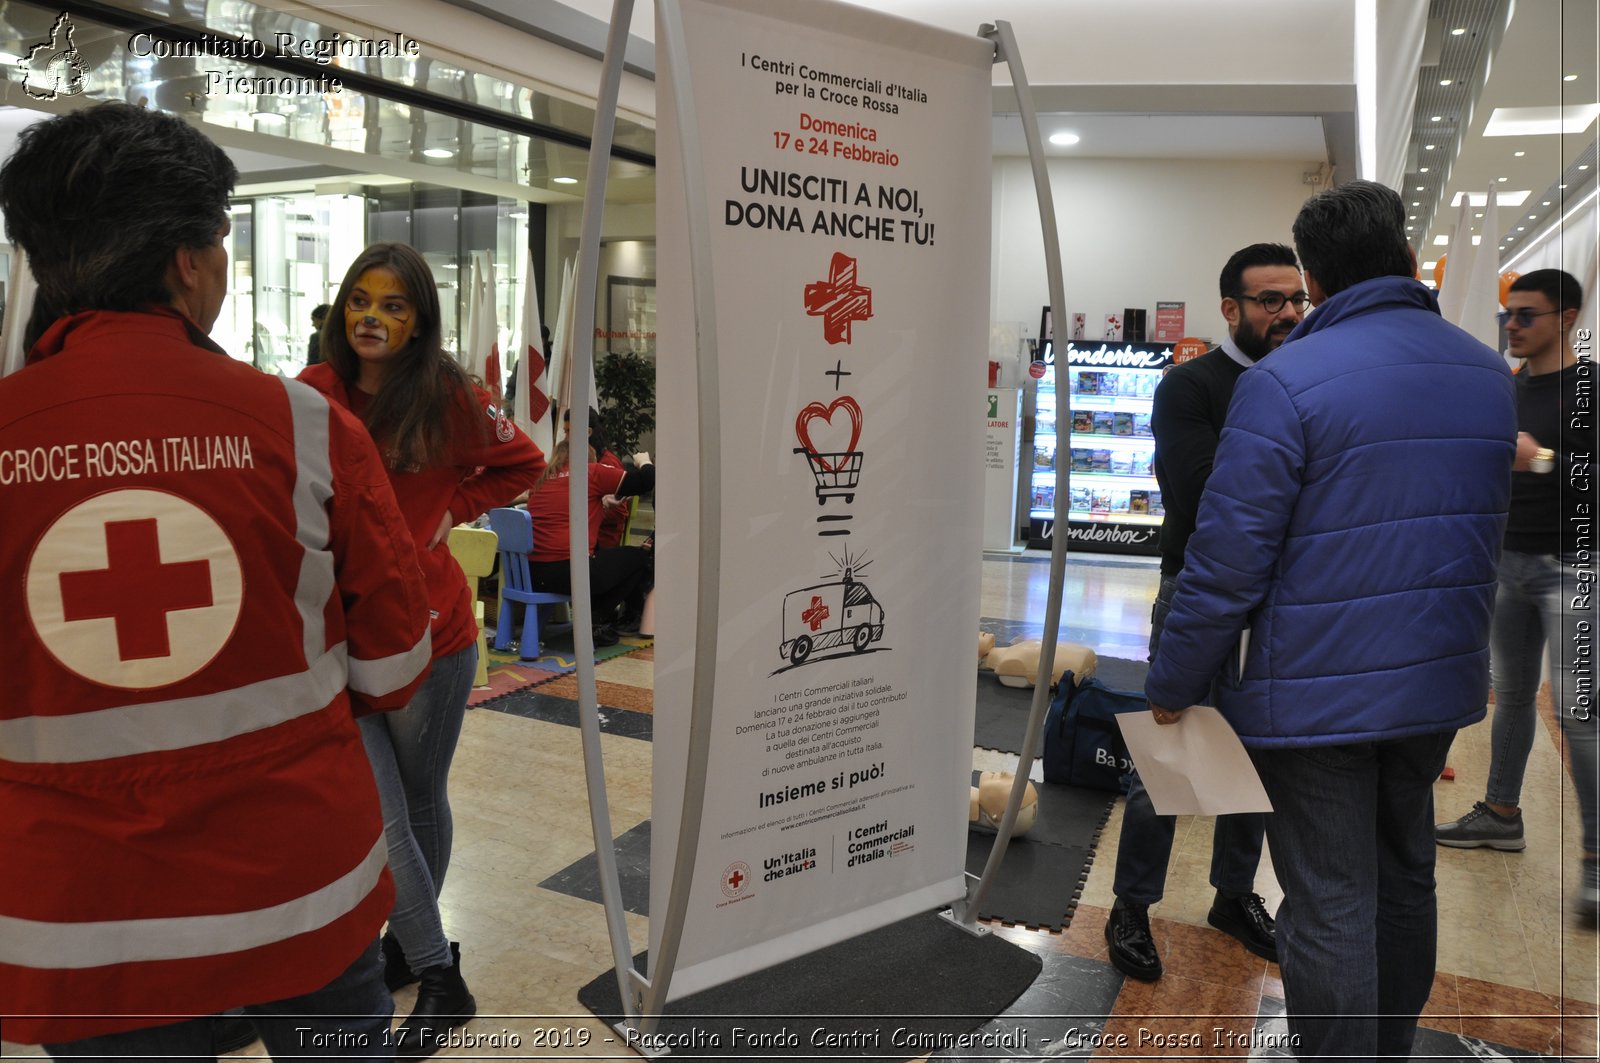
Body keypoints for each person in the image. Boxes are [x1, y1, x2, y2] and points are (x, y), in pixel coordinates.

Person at [0, 102, 432, 1058]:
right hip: (297, 888)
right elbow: (398, 664)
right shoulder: (307, 425)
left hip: (82, 919)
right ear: (187, 262)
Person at [1144, 180, 1516, 1059]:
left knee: (1329, 899)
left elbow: (1229, 558)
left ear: (1313, 277)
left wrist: (1173, 679)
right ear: (1401, 250)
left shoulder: (1287, 381)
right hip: (1439, 678)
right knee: (1405, 877)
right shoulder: (1481, 371)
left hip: (1313, 693)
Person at [300, 243, 545, 1058]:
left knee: (416, 800)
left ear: (418, 321)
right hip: (341, 638)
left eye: (394, 305)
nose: (372, 316)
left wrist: (451, 512)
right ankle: (439, 968)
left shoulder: (446, 394)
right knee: (383, 810)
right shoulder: (311, 394)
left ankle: (413, 950)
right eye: (360, 300)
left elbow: (525, 461)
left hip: (429, 638)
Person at [1103, 243, 1305, 981]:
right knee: (1168, 752)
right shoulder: (1191, 385)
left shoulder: (1306, 380)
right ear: (1232, 308)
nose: (1287, 314)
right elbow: (1200, 490)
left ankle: (1232, 894)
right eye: (1270, 301)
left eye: (1296, 299)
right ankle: (1131, 904)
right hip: (1196, 588)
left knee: (1254, 753)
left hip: (1282, 600)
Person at [1435, 269, 1597, 917]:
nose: (1513, 326)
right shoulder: (1506, 387)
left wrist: (1541, 459)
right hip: (1509, 560)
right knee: (1511, 695)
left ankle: (1596, 860)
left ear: (1567, 317)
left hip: (1576, 566)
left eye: (1527, 315)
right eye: (1509, 314)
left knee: (1580, 714)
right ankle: (1501, 811)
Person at [526, 438, 655, 646]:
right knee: (638, 557)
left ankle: (600, 616)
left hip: (533, 575)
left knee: (604, 556)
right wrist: (644, 461)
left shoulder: (541, 480)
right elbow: (646, 481)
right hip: (572, 574)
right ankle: (598, 618)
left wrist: (601, 503)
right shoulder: (590, 473)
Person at [563, 405, 633, 551]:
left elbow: (618, 513)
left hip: (601, 541)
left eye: (569, 431)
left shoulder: (609, 463)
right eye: (565, 431)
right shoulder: (573, 459)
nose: (566, 438)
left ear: (587, 432)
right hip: (579, 533)